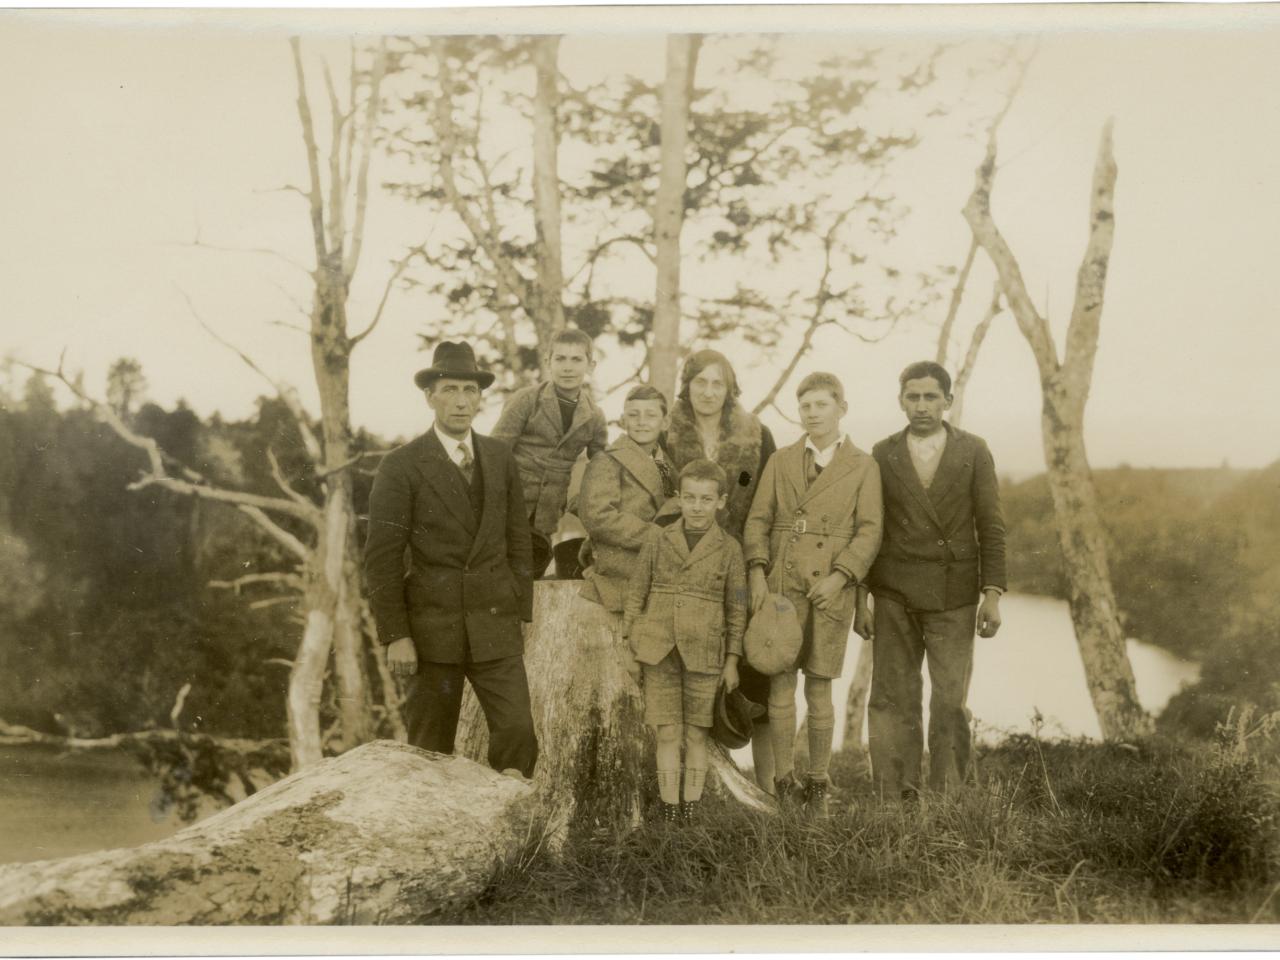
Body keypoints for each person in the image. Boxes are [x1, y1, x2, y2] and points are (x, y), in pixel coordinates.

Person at [363, 340, 538, 778]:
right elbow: (382, 559)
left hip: (494, 624)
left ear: (481, 398)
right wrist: (396, 635)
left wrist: (518, 606)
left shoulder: (499, 458)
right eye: (451, 389)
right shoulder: (401, 465)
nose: (462, 401)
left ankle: (513, 838)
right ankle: (428, 839)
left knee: (518, 733)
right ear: (430, 396)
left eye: (470, 391)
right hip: (432, 632)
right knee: (429, 751)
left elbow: (519, 539)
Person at [861, 361, 1007, 800]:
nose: (921, 406)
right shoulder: (882, 452)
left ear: (948, 400)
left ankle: (949, 798)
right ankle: (893, 798)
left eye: (930, 397)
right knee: (892, 698)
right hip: (894, 593)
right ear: (901, 401)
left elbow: (992, 526)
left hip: (955, 595)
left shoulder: (974, 450)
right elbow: (869, 527)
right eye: (913, 397)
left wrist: (993, 594)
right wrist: (860, 599)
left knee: (949, 701)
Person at [744, 372, 883, 815]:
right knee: (780, 686)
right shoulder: (781, 461)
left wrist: (841, 576)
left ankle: (819, 782)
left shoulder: (863, 465)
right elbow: (757, 521)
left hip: (830, 590)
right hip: (783, 589)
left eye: (822, 405)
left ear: (842, 408)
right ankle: (784, 781)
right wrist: (757, 572)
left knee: (819, 690)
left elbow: (870, 530)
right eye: (805, 406)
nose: (813, 414)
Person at [663, 349, 779, 792]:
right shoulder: (666, 434)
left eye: (717, 383)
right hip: (686, 566)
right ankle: (696, 783)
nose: (708, 392)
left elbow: (766, 507)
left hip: (741, 562)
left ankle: (769, 788)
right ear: (686, 387)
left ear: (730, 389)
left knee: (754, 674)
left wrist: (756, 566)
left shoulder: (756, 434)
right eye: (699, 383)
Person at [623, 459, 748, 823]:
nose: (697, 507)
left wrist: (731, 661)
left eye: (706, 499)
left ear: (721, 501)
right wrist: (630, 644)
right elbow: (637, 593)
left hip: (706, 654)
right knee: (667, 732)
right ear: (679, 498)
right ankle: (669, 806)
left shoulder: (729, 549)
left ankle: (690, 809)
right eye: (690, 498)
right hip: (658, 650)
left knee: (696, 734)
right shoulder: (659, 539)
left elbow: (736, 609)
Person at [493, 328, 610, 578]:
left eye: (576, 359)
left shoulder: (594, 416)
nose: (567, 367)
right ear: (548, 362)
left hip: (547, 513)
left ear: (591, 365)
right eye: (560, 359)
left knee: (530, 576)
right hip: (508, 506)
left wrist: (587, 506)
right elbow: (495, 452)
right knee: (497, 576)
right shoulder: (526, 400)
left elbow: (601, 467)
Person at [578, 384, 678, 616]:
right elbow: (598, 515)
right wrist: (654, 536)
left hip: (660, 567)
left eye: (651, 415)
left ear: (665, 422)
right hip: (622, 569)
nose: (642, 421)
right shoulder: (608, 461)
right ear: (623, 420)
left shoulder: (668, 466)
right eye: (634, 415)